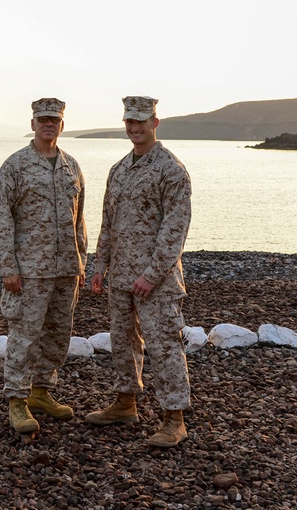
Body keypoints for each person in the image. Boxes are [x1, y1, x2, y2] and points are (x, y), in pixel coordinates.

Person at [86, 96, 192, 448]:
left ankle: (174, 419)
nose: (134, 128)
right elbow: (107, 222)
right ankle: (125, 402)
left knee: (163, 346)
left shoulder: (170, 170)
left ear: (155, 123)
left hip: (155, 281)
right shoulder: (119, 169)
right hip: (119, 276)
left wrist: (153, 273)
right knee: (122, 343)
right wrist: (99, 265)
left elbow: (175, 229)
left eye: (140, 122)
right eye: (129, 122)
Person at [0, 97, 88, 436]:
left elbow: (80, 219)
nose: (48, 124)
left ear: (62, 125)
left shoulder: (72, 166)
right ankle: (17, 399)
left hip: (65, 268)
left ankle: (42, 392)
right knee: (24, 336)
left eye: (54, 120)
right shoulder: (15, 166)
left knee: (58, 335)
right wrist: (7, 267)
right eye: (42, 118)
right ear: (33, 124)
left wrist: (82, 260)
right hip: (29, 270)